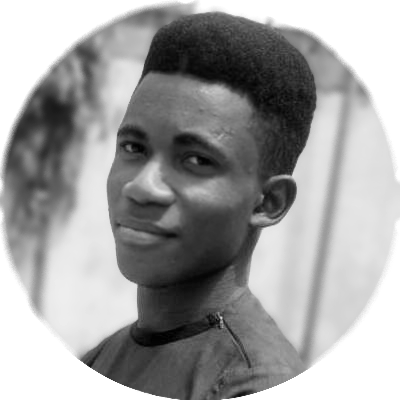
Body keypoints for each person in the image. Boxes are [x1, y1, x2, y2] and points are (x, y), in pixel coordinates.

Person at [81, 11, 316, 399]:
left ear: (269, 202)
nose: (142, 187)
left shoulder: (255, 383)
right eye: (134, 147)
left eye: (196, 160)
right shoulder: (100, 359)